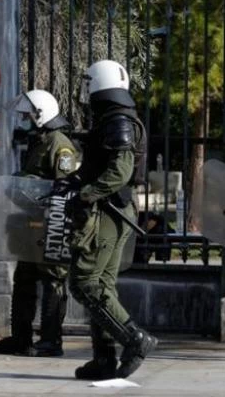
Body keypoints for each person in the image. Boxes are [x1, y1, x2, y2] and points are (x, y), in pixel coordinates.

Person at [55, 59, 157, 380]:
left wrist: (88, 193)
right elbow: (102, 162)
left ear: (100, 84)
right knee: (102, 285)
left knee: (84, 282)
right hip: (114, 208)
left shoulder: (118, 121)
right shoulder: (112, 120)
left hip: (109, 210)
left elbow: (120, 171)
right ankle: (104, 360)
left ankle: (134, 339)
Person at [0, 90, 78, 358]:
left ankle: (51, 340)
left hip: (51, 225)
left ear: (41, 115)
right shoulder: (40, 141)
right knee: (24, 279)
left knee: (52, 280)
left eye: (28, 114)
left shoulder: (59, 144)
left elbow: (64, 187)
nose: (24, 119)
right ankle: (21, 339)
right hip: (31, 224)